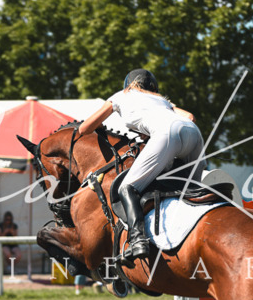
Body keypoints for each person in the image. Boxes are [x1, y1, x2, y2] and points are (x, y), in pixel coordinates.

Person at [75, 68, 204, 264]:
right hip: (193, 132)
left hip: (168, 133)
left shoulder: (121, 95)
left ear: (128, 84)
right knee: (192, 190)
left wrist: (99, 126)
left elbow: (84, 129)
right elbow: (190, 117)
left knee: (128, 188)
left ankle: (137, 240)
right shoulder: (161, 100)